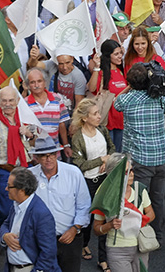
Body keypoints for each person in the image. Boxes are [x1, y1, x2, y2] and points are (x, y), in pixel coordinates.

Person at [113, 62, 165, 242]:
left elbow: (115, 103)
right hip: (161, 159)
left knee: (140, 200)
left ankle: (141, 235)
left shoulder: (127, 100)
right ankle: (158, 235)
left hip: (140, 160)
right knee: (158, 199)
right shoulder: (158, 98)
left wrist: (129, 87)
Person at [29, 136, 91, 272]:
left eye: (51, 154)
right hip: (40, 241)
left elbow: (84, 205)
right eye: (43, 156)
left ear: (57, 154)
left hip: (69, 239)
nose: (48, 159)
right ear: (36, 158)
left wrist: (75, 229)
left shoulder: (73, 173)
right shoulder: (29, 176)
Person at [69, 98, 114, 266]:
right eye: (95, 114)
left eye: (98, 112)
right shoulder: (78, 138)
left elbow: (112, 149)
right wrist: (99, 160)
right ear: (84, 118)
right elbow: (80, 165)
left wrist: (106, 162)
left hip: (105, 180)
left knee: (104, 217)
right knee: (87, 218)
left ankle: (104, 258)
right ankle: (84, 244)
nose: (99, 116)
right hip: (88, 183)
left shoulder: (102, 130)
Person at [0, 86, 36, 227]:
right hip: (4, 171)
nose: (8, 104)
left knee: (27, 209)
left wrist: (29, 134)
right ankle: (2, 240)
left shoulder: (26, 117)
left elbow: (35, 142)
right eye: (4, 100)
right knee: (6, 211)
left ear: (18, 100)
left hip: (26, 170)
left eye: (11, 100)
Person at [93, 154, 154, 272]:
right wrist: (109, 225)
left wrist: (137, 221)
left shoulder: (139, 189)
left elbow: (151, 214)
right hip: (117, 250)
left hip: (140, 246)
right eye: (126, 172)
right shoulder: (104, 196)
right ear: (114, 174)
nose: (131, 174)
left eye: (131, 170)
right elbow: (96, 229)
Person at [0, 166, 60, 272]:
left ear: (21, 190)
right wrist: (5, 236)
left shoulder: (41, 213)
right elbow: (6, 224)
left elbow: (48, 252)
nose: (6, 189)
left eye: (9, 186)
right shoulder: (16, 204)